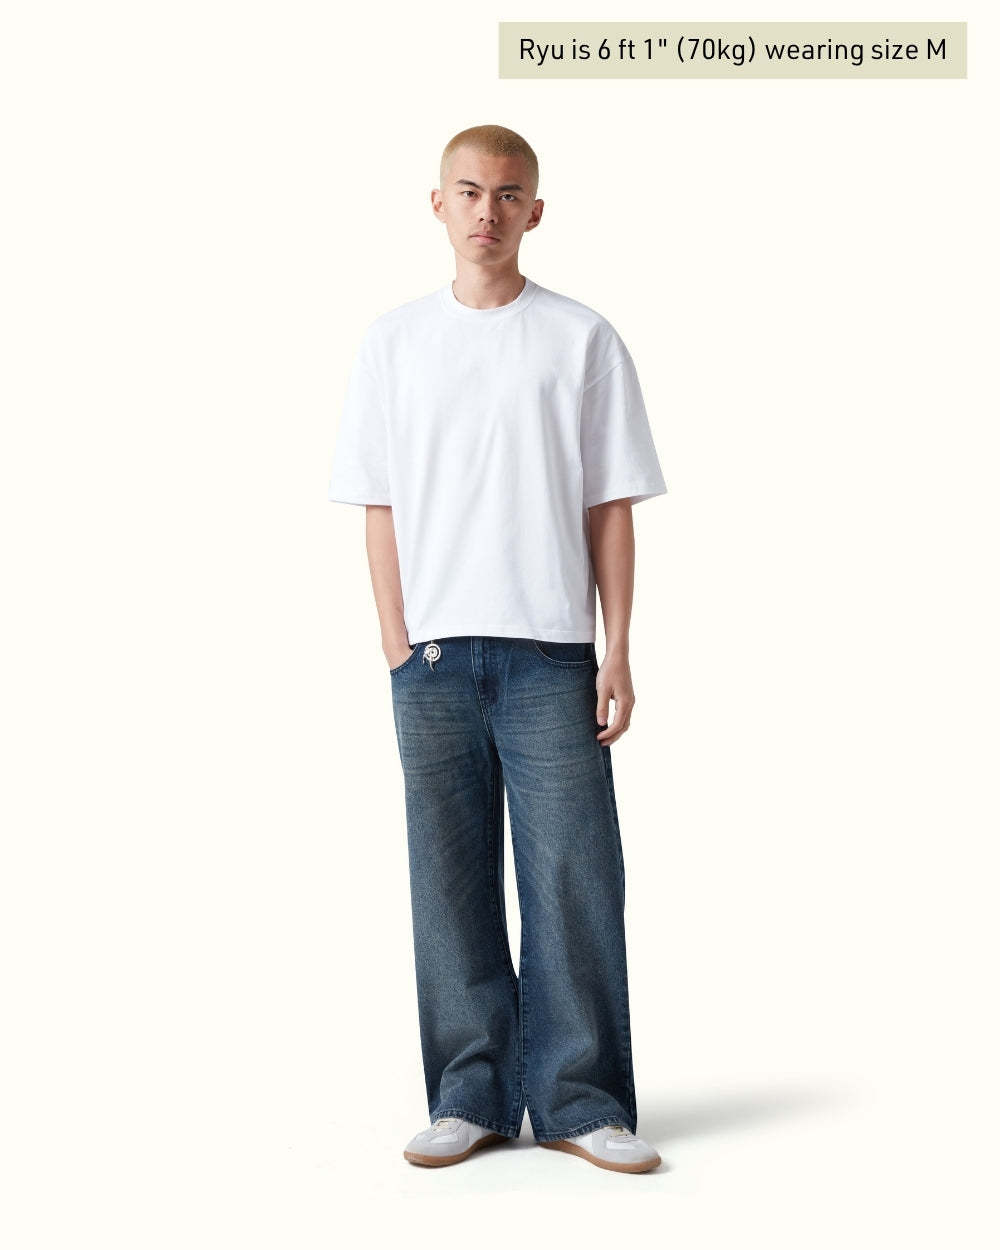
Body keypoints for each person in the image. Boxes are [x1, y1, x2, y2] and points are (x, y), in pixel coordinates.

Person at [327, 124, 667, 1174]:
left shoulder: (580, 338)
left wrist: (616, 648)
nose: (488, 210)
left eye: (508, 193)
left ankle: (579, 1099)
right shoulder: (392, 342)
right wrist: (396, 642)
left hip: (552, 653)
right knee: (449, 881)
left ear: (535, 210)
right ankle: (468, 1094)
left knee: (573, 877)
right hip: (431, 660)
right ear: (438, 204)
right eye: (469, 191)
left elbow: (610, 504)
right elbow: (378, 503)